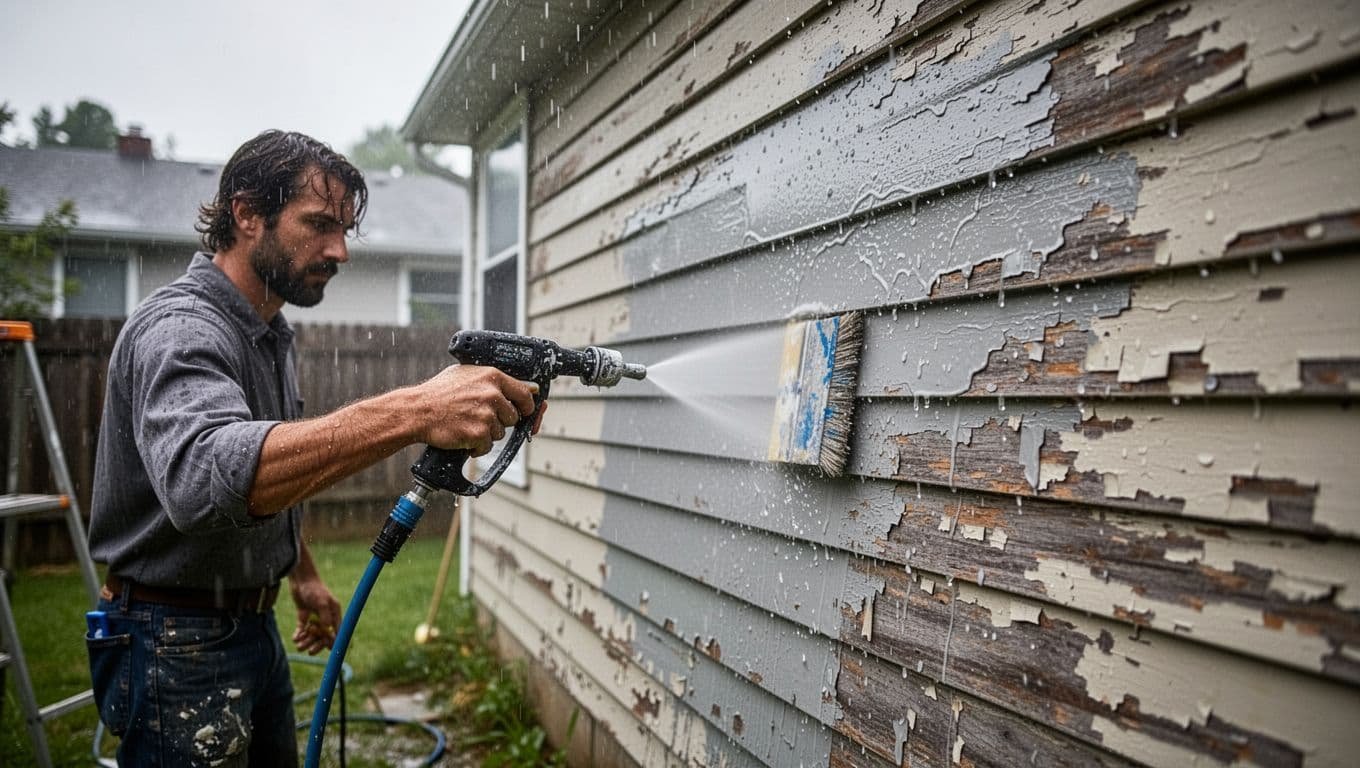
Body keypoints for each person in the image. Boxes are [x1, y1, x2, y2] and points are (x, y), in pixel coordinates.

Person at [85, 130, 538, 766]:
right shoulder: (181, 329)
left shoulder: (267, 331)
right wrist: (417, 409)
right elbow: (204, 476)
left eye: (346, 229)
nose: (341, 250)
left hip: (250, 622)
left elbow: (274, 469)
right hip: (173, 639)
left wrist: (303, 573)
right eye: (320, 224)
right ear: (246, 214)